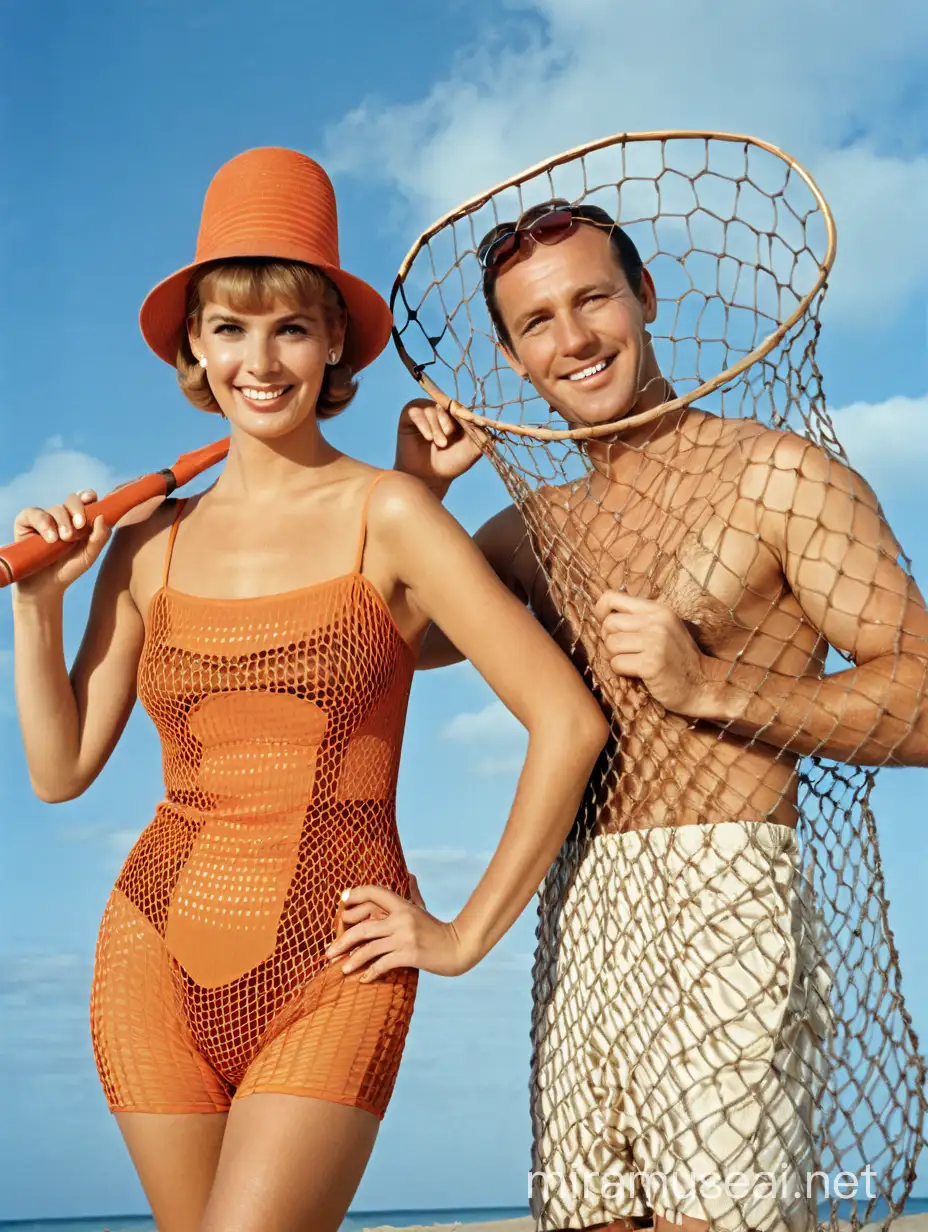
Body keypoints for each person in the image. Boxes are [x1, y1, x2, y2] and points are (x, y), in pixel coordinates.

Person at [10, 155, 608, 1232]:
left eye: (290, 325)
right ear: (192, 342)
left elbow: (565, 719)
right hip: (150, 948)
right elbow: (59, 773)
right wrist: (38, 607)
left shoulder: (392, 513)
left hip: (337, 961)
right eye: (230, 328)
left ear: (336, 339)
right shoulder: (147, 540)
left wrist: (464, 932)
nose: (261, 358)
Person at [395, 200, 928, 1232]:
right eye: (538, 321)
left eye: (592, 297)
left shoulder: (777, 473)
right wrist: (415, 488)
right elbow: (376, 645)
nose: (575, 338)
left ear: (645, 296)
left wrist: (715, 687)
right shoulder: (529, 531)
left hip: (729, 883)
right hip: (578, 905)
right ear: (510, 359)